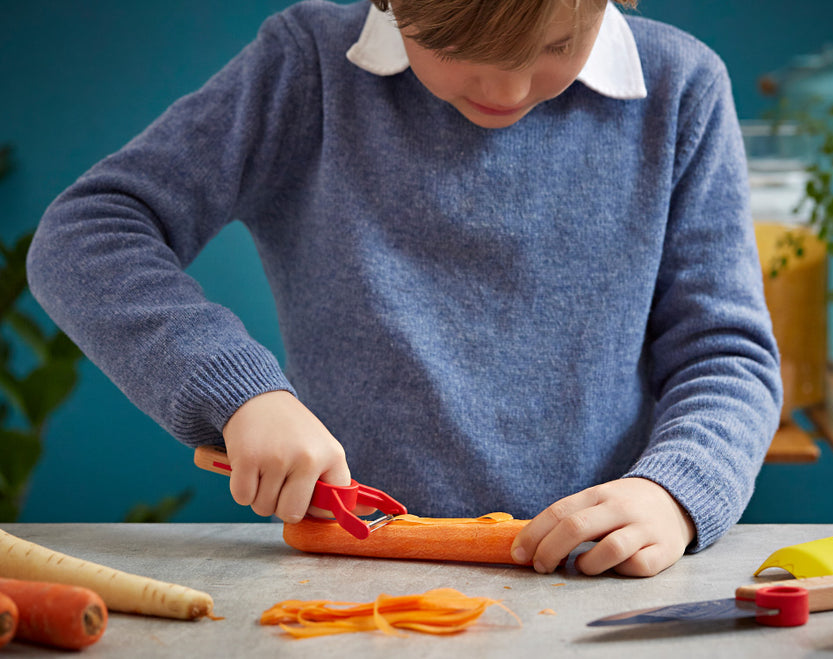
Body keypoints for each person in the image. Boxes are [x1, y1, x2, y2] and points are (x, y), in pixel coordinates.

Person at [27, 0, 782, 577]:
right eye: (459, 48)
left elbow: (727, 355)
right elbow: (87, 233)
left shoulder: (683, 89)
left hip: (593, 576)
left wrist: (676, 492)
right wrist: (239, 392)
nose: (510, 86)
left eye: (556, 45)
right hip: (350, 580)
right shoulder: (308, 67)